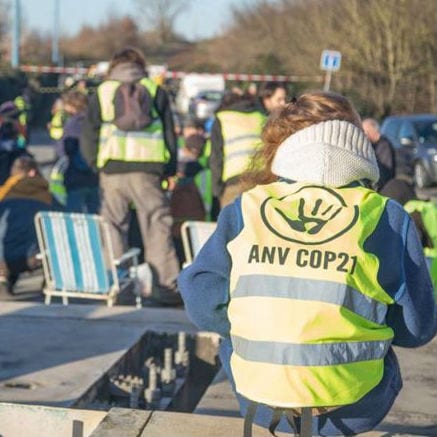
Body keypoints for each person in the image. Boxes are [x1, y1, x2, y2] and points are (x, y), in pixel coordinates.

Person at [178, 91, 437, 436]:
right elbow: (417, 328)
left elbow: (200, 298)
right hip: (352, 407)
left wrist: (264, 328)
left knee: (234, 341)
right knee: (383, 352)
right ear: (357, 140)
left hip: (259, 401)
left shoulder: (248, 207)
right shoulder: (385, 216)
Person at [81, 46, 181, 306]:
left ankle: (118, 286)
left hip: (112, 170)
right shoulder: (155, 90)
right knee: (157, 224)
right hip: (148, 170)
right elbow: (170, 132)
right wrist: (169, 169)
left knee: (113, 226)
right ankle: (166, 288)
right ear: (141, 65)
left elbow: (89, 133)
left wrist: (96, 164)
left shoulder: (103, 92)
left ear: (114, 66)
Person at [0, 156, 58, 296]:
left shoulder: (4, 194)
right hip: (34, 258)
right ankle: (48, 280)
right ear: (33, 172)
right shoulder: (47, 196)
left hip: (3, 259)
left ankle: (3, 279)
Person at [210, 92, 266, 209]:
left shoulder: (222, 119)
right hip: (260, 182)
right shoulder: (260, 116)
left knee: (233, 225)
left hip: (234, 183)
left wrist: (217, 191)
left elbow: (217, 157)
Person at [50, 91, 99, 213]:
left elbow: (63, 151)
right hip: (94, 177)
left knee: (74, 218)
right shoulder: (95, 123)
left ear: (72, 106)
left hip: (75, 178)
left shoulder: (72, 124)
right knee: (96, 216)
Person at [362, 118, 396, 191]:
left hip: (384, 189)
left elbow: (385, 172)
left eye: (365, 132)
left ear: (372, 130)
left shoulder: (384, 146)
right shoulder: (373, 145)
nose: (364, 135)